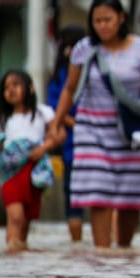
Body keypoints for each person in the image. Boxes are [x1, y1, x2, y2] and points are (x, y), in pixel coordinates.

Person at [49, 0, 140, 248]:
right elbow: (69, 89)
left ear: (121, 18)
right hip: (91, 130)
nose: (102, 26)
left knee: (130, 197)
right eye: (97, 20)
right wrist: (57, 121)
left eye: (107, 19)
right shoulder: (83, 49)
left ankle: (123, 252)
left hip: (131, 133)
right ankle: (102, 253)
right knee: (97, 194)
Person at [0, 70, 62, 251]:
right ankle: (12, 251)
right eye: (6, 87)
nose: (11, 90)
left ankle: (18, 255)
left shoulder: (43, 113)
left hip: (33, 170)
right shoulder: (2, 119)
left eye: (16, 85)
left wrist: (43, 148)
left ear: (30, 88)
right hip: (10, 171)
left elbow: (59, 134)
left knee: (25, 219)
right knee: (16, 216)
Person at [47, 23, 88, 242]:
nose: (69, 52)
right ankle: (77, 243)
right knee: (72, 198)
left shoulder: (96, 70)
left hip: (100, 143)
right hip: (73, 146)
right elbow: (55, 109)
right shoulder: (60, 77)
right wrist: (78, 122)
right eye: (66, 46)